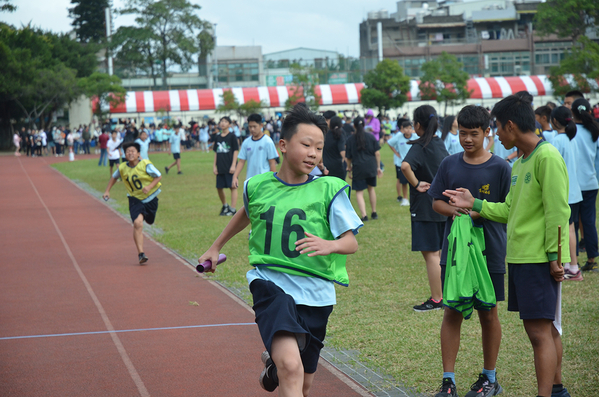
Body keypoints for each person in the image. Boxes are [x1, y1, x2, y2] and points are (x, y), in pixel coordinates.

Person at [198, 103, 362, 396]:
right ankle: (281, 365)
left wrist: (330, 244)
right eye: (306, 144)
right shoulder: (257, 186)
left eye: (319, 147)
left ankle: (274, 368)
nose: (313, 153)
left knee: (304, 382)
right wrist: (215, 246)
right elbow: (247, 212)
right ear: (283, 145)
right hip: (271, 286)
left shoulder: (329, 190)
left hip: (317, 295)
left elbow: (351, 242)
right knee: (292, 368)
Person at [444, 93, 571, 397]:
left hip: (538, 259)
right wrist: (474, 202)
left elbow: (558, 211)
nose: (496, 135)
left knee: (540, 332)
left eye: (497, 128)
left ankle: (551, 392)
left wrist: (555, 256)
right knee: (543, 330)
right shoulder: (522, 163)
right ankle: (556, 390)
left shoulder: (547, 157)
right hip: (521, 258)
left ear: (511, 126)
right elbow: (508, 210)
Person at [428, 105, 511, 397]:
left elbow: (508, 209)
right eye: (462, 133)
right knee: (451, 310)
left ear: (486, 133)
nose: (467, 140)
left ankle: (490, 378)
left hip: (491, 252)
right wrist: (454, 211)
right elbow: (436, 201)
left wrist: (477, 210)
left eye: (473, 134)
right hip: (455, 253)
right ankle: (448, 381)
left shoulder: (501, 167)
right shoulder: (449, 164)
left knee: (489, 312)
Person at [400, 105, 449, 312]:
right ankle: (445, 295)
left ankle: (437, 298)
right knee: (440, 253)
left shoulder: (421, 145)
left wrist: (416, 183)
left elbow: (405, 166)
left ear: (417, 125)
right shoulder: (440, 144)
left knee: (431, 255)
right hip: (442, 206)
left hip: (425, 207)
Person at [103, 142, 162, 264]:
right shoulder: (122, 167)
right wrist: (107, 191)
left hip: (151, 198)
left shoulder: (145, 164)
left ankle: (146, 217)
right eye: (128, 151)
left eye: (133, 151)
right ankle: (141, 253)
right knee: (137, 223)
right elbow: (114, 177)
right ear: (124, 154)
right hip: (135, 199)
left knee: (150, 221)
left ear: (138, 154)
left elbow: (158, 176)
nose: (130, 153)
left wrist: (149, 187)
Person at [550, 106, 583, 281]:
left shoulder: (557, 141)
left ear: (554, 121)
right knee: (572, 229)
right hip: (575, 192)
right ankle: (573, 266)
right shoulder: (572, 139)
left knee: (568, 229)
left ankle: (573, 268)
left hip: (566, 192)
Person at [571, 98, 599, 272]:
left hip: (574, 184)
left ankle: (572, 261)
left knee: (572, 223)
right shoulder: (594, 131)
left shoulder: (570, 132)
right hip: (591, 183)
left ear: (572, 113)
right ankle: (591, 259)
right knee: (589, 222)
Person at [346, 116, 383, 221]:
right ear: (364, 125)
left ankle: (364, 215)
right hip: (371, 166)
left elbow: (348, 157)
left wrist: (349, 169)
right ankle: (374, 212)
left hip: (358, 167)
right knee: (371, 189)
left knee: (359, 192)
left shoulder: (350, 139)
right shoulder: (371, 137)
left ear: (354, 126)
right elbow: (377, 153)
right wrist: (378, 167)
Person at [232, 113, 279, 188]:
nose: (252, 129)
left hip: (264, 182)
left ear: (261, 126)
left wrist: (273, 181)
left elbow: (272, 163)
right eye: (250, 127)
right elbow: (241, 161)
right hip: (250, 182)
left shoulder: (268, 142)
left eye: (254, 126)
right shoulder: (246, 142)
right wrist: (235, 176)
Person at [213, 116, 240, 216]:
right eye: (221, 121)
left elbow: (235, 151)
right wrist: (214, 166)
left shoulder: (232, 136)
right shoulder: (217, 137)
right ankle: (225, 206)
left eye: (225, 121)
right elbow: (216, 152)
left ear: (229, 124)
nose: (223, 123)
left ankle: (233, 209)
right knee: (219, 187)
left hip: (230, 166)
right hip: (220, 166)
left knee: (232, 187)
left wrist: (233, 165)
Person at [388, 118, 417, 206]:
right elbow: (389, 143)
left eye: (410, 128)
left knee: (414, 181)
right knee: (403, 182)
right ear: (402, 129)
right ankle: (405, 198)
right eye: (406, 128)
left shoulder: (415, 137)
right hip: (402, 163)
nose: (408, 130)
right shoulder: (398, 137)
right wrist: (396, 153)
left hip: (414, 163)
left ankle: (414, 198)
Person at [322, 116, 347, 180]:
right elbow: (342, 150)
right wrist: (348, 163)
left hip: (326, 165)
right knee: (340, 187)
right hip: (338, 165)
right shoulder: (340, 134)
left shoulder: (325, 134)